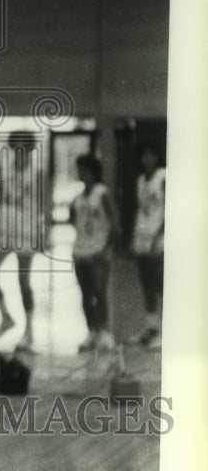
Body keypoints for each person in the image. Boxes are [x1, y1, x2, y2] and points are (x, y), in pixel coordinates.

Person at [0, 131, 45, 351]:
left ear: (30, 149)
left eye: (23, 147)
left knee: (23, 282)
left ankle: (29, 332)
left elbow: (42, 205)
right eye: (15, 147)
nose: (19, 151)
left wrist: (41, 233)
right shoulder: (4, 169)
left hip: (26, 228)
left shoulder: (37, 172)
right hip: (3, 225)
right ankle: (6, 317)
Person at [70, 154, 121, 353]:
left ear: (93, 172)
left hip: (99, 250)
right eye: (80, 169)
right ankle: (91, 332)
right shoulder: (78, 197)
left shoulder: (102, 193)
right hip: (81, 250)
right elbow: (73, 220)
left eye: (85, 169)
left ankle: (105, 333)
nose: (81, 173)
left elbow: (116, 224)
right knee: (85, 293)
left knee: (99, 291)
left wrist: (106, 248)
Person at [129, 141, 166, 349]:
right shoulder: (141, 179)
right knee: (146, 284)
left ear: (157, 156)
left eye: (151, 154)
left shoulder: (164, 176)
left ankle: (165, 331)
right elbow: (141, 210)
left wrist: (159, 236)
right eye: (144, 155)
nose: (148, 159)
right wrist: (133, 239)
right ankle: (151, 328)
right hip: (141, 237)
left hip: (158, 238)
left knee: (161, 284)